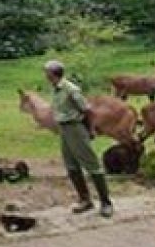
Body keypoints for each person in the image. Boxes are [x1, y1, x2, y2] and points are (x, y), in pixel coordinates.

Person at [44, 60, 113, 218]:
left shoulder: (70, 89)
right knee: (71, 166)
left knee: (91, 164)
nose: (45, 75)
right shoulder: (56, 89)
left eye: (47, 72)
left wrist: (90, 129)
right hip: (64, 129)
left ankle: (106, 202)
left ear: (53, 73)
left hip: (75, 127)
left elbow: (87, 110)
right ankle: (85, 199)